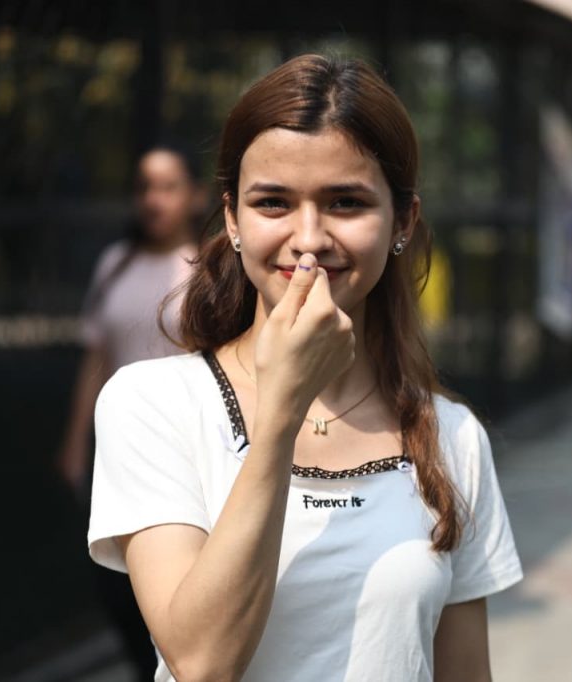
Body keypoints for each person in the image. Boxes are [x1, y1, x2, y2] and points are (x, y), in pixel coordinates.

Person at [87, 54, 523, 682]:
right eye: (273, 202)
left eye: (346, 202)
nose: (310, 237)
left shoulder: (451, 436)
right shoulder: (153, 403)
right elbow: (203, 662)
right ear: (233, 218)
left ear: (402, 221)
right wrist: (282, 413)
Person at [57, 143, 207, 679]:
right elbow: (96, 357)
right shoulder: (115, 263)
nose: (154, 199)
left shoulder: (211, 267)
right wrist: (76, 442)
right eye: (145, 186)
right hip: (122, 450)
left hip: (188, 451)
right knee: (116, 582)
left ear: (195, 196)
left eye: (168, 186)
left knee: (174, 584)